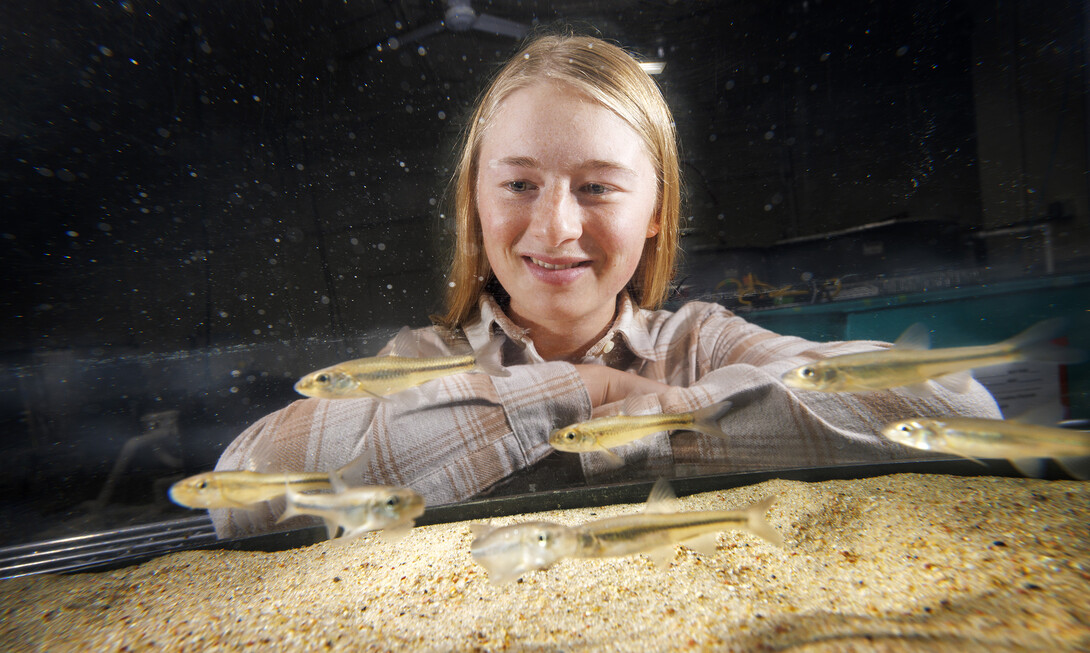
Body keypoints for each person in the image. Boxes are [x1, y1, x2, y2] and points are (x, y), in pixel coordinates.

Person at [211, 33, 1001, 538]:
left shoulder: (700, 341)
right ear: (476, 203)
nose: (555, 228)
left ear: (657, 211)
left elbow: (956, 405)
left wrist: (654, 411)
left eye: (597, 188)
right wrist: (580, 391)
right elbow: (235, 494)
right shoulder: (419, 359)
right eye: (519, 184)